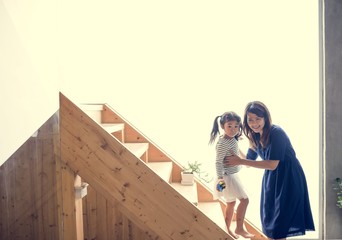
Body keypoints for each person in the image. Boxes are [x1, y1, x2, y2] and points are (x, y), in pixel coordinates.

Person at [226, 101, 315, 240]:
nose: (254, 123)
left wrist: (240, 161)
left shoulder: (276, 133)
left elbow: (272, 164)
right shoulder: (255, 135)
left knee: (280, 224)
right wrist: (234, 145)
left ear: (265, 118)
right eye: (250, 120)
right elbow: (250, 161)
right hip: (272, 179)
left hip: (289, 178)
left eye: (258, 119)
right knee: (271, 222)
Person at [209, 111, 255, 239]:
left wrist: (244, 160)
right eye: (229, 126)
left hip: (231, 175)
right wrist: (220, 180)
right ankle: (239, 228)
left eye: (236, 126)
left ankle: (227, 229)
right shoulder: (223, 142)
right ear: (223, 126)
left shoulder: (231, 139)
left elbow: (235, 148)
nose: (233, 129)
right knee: (245, 200)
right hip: (227, 177)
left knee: (231, 203)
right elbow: (218, 161)